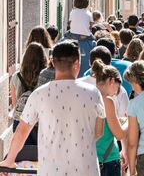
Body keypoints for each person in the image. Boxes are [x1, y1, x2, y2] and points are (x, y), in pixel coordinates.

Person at [0, 40, 105, 175]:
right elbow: (98, 132)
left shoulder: (39, 95)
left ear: (53, 63)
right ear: (77, 63)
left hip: (51, 170)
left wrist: (9, 160)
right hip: (86, 169)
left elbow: (21, 132)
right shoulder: (93, 93)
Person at [92, 59, 127, 176]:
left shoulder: (88, 96)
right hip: (108, 159)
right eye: (117, 88)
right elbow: (119, 134)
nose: (116, 93)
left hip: (90, 156)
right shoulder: (107, 100)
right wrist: (130, 121)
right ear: (112, 81)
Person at [9, 42, 47, 145]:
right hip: (41, 122)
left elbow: (15, 105)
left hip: (20, 121)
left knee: (22, 155)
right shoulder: (45, 77)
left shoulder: (15, 77)